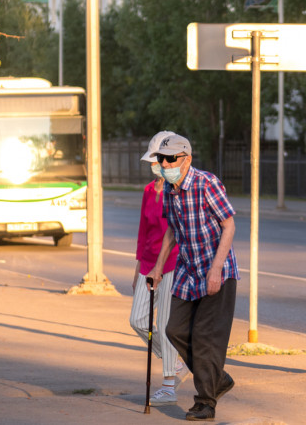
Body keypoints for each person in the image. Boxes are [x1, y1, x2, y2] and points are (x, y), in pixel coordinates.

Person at [147, 134, 239, 422]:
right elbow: (172, 231)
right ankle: (217, 378)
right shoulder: (171, 191)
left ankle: (205, 402)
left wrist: (215, 268)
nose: (164, 163)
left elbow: (229, 225)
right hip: (189, 272)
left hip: (217, 272)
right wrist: (158, 268)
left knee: (205, 338)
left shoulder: (205, 183)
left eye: (170, 159)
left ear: (186, 158)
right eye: (161, 159)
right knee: (174, 329)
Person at [129, 131, 190, 406]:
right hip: (148, 265)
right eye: (155, 160)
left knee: (164, 325)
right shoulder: (147, 191)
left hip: (173, 264)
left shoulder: (178, 191)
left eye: (161, 160)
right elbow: (144, 232)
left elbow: (179, 232)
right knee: (138, 320)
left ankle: (168, 385)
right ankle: (174, 361)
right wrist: (138, 268)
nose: (158, 165)